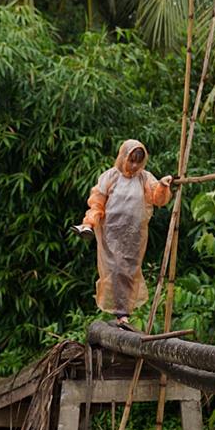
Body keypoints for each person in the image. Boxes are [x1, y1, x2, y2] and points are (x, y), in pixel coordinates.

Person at [71, 140, 173, 328]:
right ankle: (121, 314)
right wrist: (90, 222)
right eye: (131, 160)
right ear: (123, 157)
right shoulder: (110, 176)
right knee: (116, 269)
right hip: (112, 233)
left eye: (138, 161)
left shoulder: (144, 178)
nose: (134, 165)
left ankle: (124, 313)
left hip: (135, 235)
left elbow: (157, 198)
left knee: (129, 271)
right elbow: (97, 202)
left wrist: (164, 184)